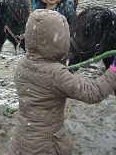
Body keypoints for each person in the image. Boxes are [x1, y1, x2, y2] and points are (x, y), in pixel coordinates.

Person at [7, 9, 116, 155]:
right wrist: (113, 69)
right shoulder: (57, 75)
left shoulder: (23, 65)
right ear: (61, 40)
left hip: (22, 137)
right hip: (46, 145)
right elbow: (93, 93)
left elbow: (43, 75)